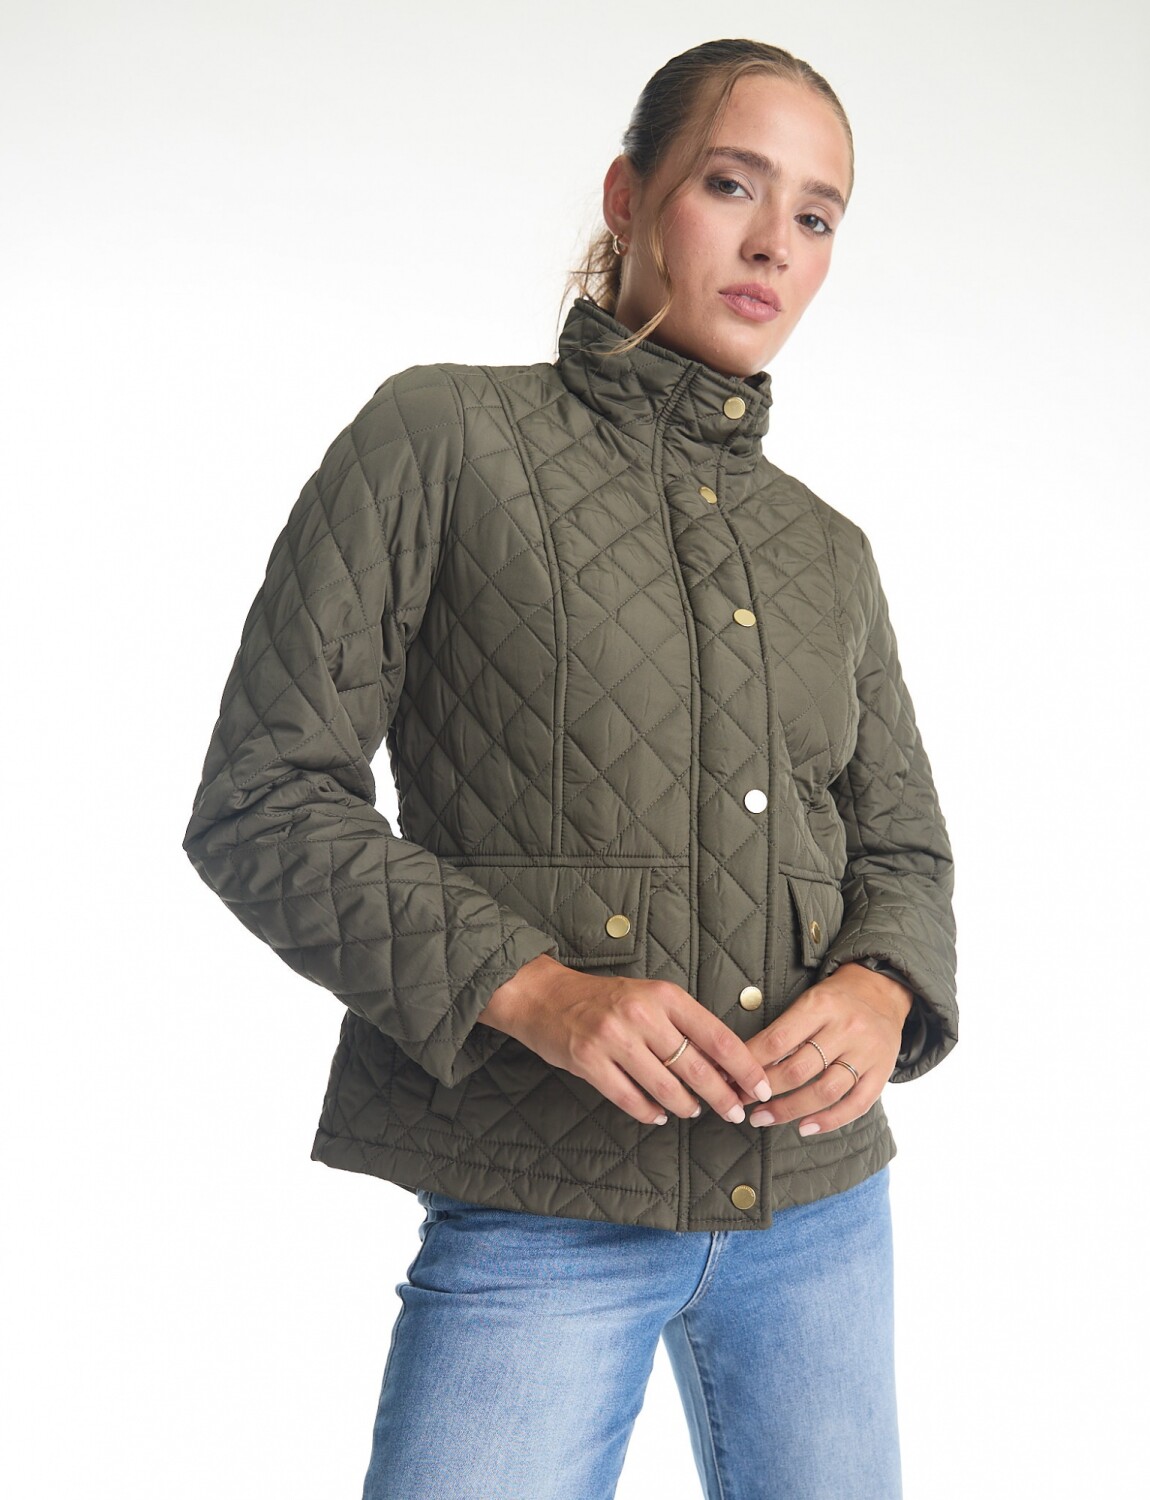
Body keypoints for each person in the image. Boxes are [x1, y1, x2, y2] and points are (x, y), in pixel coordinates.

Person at [184, 37, 957, 1500]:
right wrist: (534, 990)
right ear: (627, 194)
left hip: (819, 1216)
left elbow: (901, 846)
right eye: (731, 185)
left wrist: (881, 987)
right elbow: (262, 799)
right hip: (539, 1209)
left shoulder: (828, 553)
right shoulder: (442, 436)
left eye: (815, 215)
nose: (772, 245)